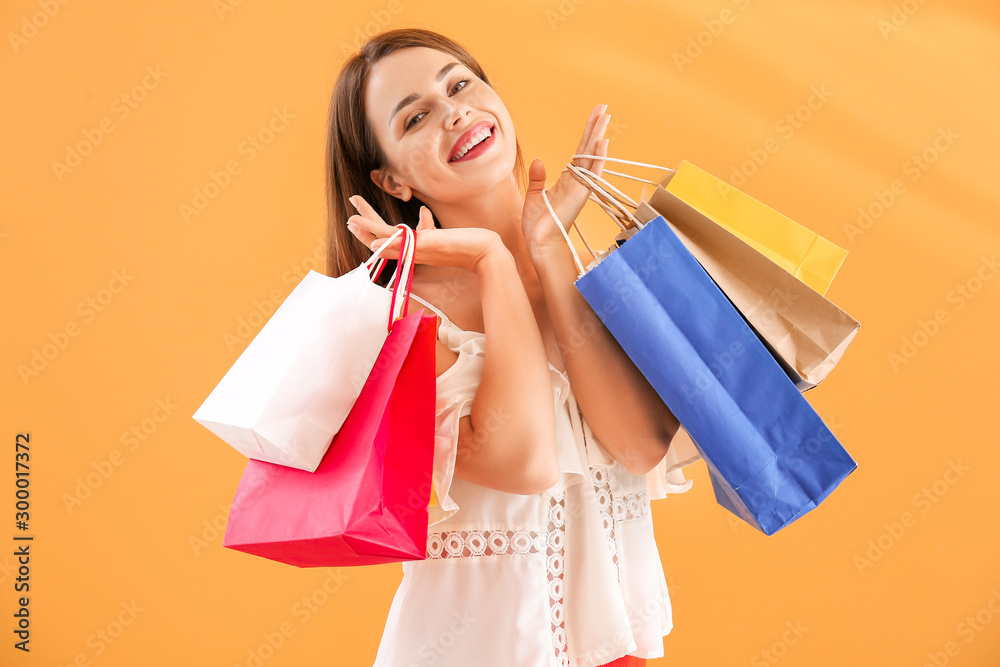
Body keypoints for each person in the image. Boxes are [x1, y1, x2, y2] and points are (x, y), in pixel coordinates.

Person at [325, 27, 702, 667]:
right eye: (416, 116)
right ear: (391, 181)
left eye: (460, 84)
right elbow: (525, 464)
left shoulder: (591, 268)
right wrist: (491, 261)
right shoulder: (402, 313)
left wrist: (549, 250)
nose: (455, 113)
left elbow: (641, 449)